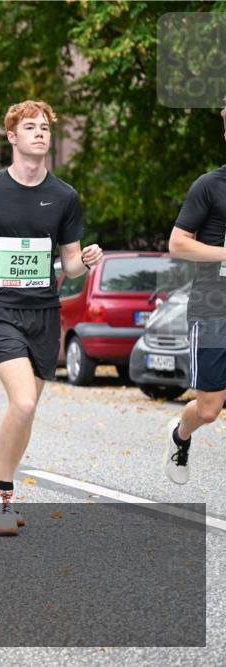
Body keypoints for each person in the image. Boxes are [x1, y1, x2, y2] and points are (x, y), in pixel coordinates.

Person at [0, 100, 103, 536]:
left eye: (45, 128)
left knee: (26, 410)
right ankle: (0, 494)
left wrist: (86, 260)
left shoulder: (64, 196)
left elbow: (68, 265)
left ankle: (0, 489)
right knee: (25, 402)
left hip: (44, 315)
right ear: (12, 137)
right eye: (30, 127)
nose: (40, 133)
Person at [163, 105, 226, 484]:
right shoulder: (209, 186)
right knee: (208, 410)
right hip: (213, 309)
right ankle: (179, 436)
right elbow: (177, 244)